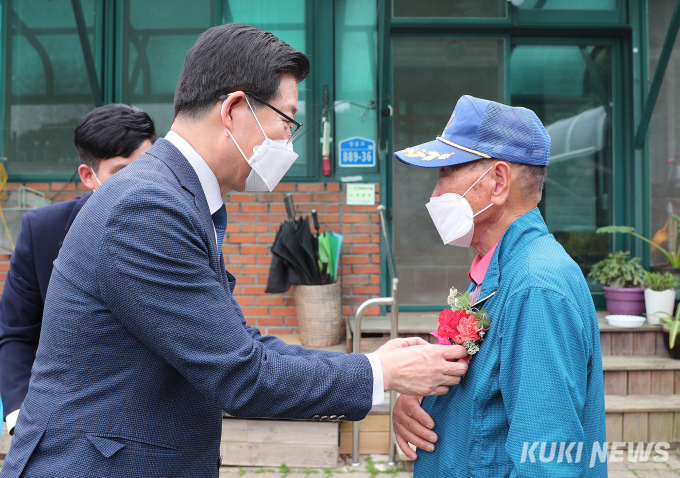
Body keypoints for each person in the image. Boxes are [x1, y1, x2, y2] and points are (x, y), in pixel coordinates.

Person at [0, 24, 468, 478]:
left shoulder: (176, 195)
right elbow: (242, 376)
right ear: (234, 109)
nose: (290, 141)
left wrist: (374, 365)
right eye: (286, 119)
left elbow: (239, 346)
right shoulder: (148, 207)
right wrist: (379, 373)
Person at [391, 95, 606, 477]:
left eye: (445, 174)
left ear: (498, 181)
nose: (434, 195)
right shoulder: (501, 270)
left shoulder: (535, 288)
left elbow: (548, 463)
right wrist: (421, 399)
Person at [0, 104, 155, 436]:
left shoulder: (183, 225)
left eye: (150, 167)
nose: (142, 183)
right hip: (67, 424)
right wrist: (18, 416)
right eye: (123, 170)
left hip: (156, 424)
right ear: (88, 176)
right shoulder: (41, 231)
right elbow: (16, 333)